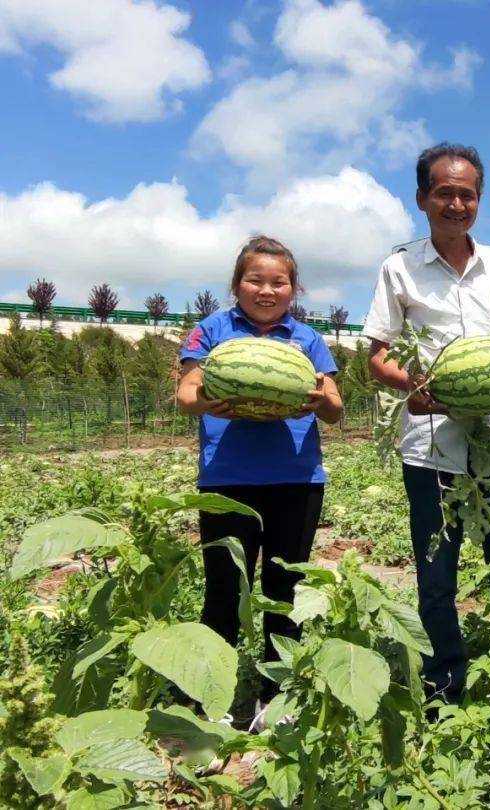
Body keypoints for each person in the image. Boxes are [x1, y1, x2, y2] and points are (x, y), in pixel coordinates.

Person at [363, 143, 490, 704]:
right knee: (436, 575)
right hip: (430, 446)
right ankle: (446, 680)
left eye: (467, 194)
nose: (456, 203)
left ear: (479, 200)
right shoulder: (399, 268)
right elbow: (377, 352)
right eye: (444, 192)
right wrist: (414, 386)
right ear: (422, 198)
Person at [177, 235, 343, 728]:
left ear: (293, 289)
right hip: (228, 481)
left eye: (279, 282)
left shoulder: (307, 339)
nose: (266, 290)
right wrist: (210, 399)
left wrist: (319, 399)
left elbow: (334, 408)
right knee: (224, 590)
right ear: (237, 284)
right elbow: (186, 392)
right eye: (255, 280)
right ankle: (215, 700)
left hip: (296, 479)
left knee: (284, 589)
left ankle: (277, 697)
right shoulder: (211, 330)